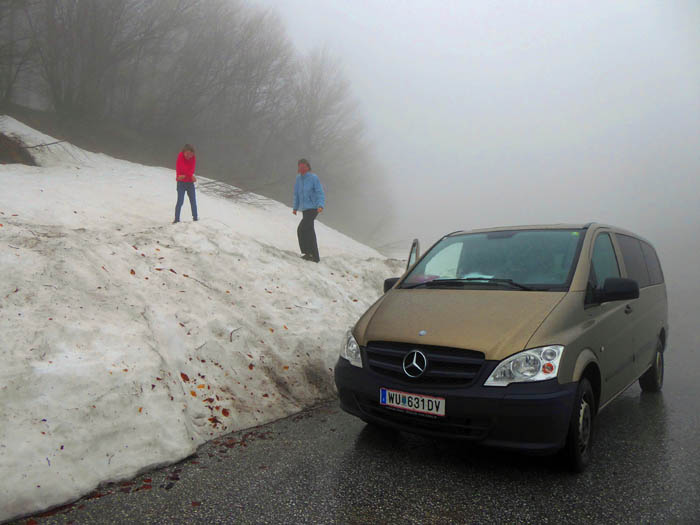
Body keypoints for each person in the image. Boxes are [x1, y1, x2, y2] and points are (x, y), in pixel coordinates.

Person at [292, 158, 325, 262]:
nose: (302, 169)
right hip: (305, 209)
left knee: (301, 229)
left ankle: (308, 253)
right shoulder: (298, 179)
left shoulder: (313, 178)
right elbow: (296, 194)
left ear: (308, 167)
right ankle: (313, 256)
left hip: (314, 208)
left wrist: (320, 205)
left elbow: (320, 192)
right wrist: (295, 207)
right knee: (309, 231)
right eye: (300, 167)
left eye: (304, 167)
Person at [173, 144, 198, 223]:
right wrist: (178, 177)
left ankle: (195, 218)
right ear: (183, 152)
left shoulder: (193, 158)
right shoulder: (180, 156)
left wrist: (190, 176)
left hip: (190, 183)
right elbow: (181, 168)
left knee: (193, 201)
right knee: (180, 201)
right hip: (181, 183)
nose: (189, 156)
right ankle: (176, 220)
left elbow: (192, 169)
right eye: (187, 154)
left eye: (191, 154)